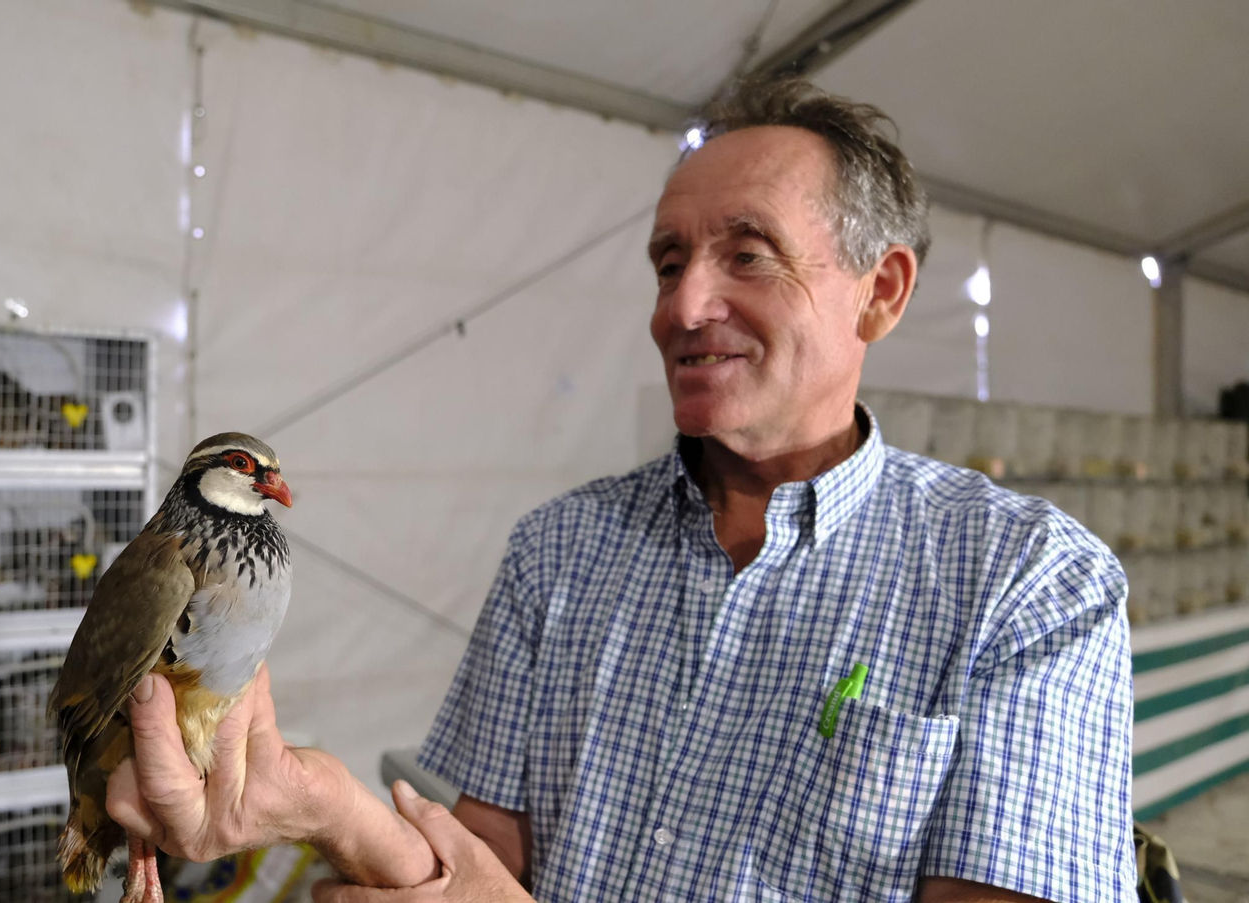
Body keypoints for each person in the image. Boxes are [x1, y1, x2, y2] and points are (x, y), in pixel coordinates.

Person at [106, 77, 1135, 903]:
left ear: (881, 292)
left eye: (747, 253)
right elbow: (477, 863)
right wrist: (328, 806)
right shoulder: (562, 548)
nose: (684, 305)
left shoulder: (1026, 583)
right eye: (667, 260)